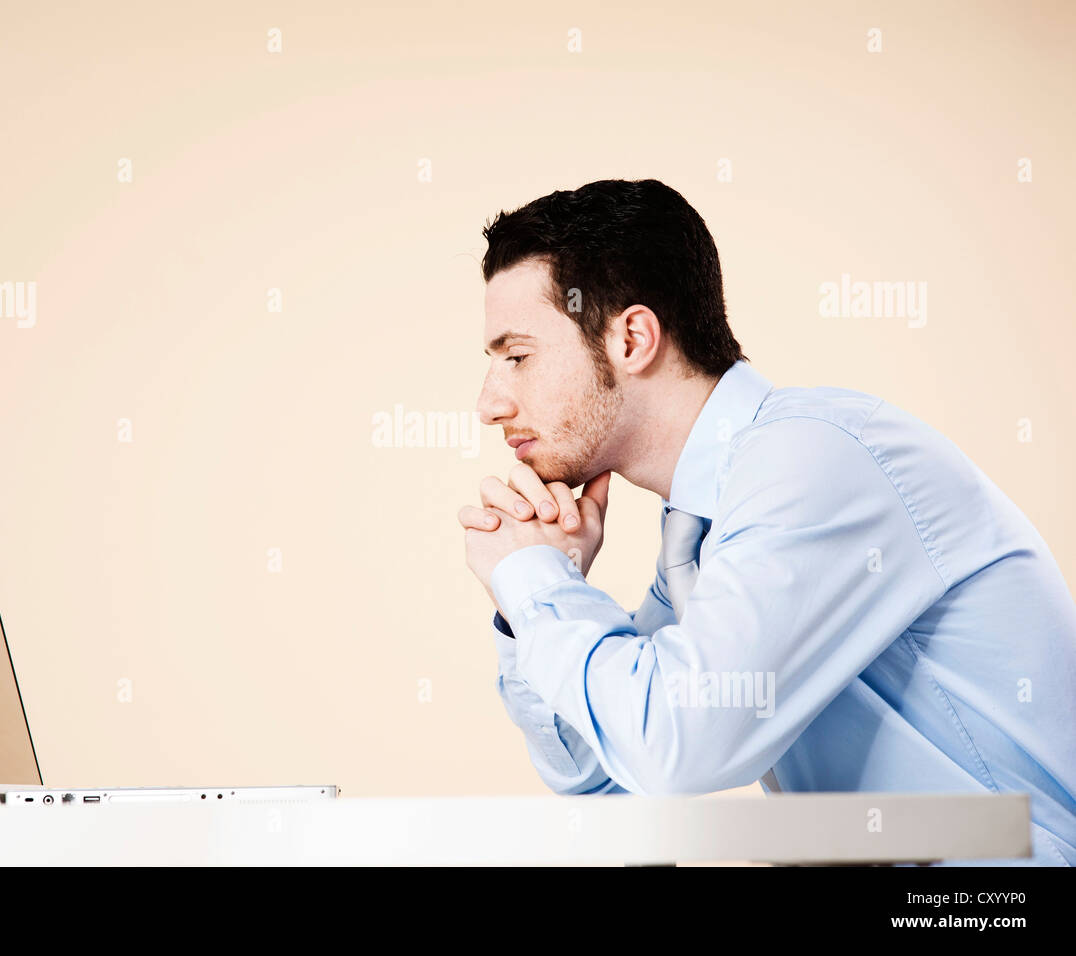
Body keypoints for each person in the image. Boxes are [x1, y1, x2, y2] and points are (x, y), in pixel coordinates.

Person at [459, 178, 1076, 865]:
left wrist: (533, 578)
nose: (489, 405)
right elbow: (612, 783)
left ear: (633, 338)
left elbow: (679, 746)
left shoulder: (809, 461)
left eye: (516, 357)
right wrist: (532, 602)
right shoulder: (702, 526)